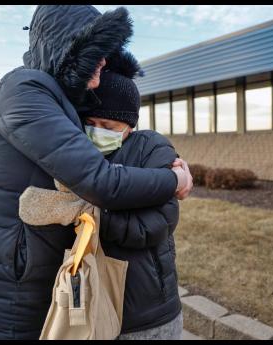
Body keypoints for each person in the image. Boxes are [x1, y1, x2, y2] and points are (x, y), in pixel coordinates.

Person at [0, 5, 193, 340]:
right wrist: (176, 180)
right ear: (66, 47)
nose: (104, 62)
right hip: (5, 277)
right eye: (96, 51)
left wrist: (165, 162)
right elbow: (101, 181)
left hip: (32, 272)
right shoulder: (24, 90)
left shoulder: (55, 96)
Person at [79, 69, 187, 340]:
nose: (96, 132)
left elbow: (155, 224)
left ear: (129, 126)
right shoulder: (75, 152)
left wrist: (89, 215)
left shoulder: (152, 147)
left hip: (147, 310)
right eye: (90, 122)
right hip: (89, 303)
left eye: (108, 126)